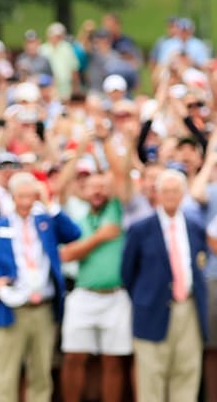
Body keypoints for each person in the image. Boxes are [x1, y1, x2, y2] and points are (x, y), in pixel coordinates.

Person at [0, 172, 81, 402]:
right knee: (7, 374)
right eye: (20, 196)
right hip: (10, 309)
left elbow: (73, 233)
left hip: (43, 308)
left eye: (30, 196)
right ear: (12, 197)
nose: (25, 202)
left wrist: (49, 203)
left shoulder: (45, 222)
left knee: (41, 373)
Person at [122, 169, 208, 402]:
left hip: (187, 308)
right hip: (151, 308)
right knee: (151, 376)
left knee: (186, 372)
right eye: (165, 191)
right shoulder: (141, 229)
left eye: (175, 191)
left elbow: (200, 262)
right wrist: (145, 298)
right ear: (157, 194)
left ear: (183, 194)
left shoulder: (194, 226)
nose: (170, 196)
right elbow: (127, 273)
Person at [58, 173, 130, 402]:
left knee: (113, 360)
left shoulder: (118, 210)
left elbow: (122, 173)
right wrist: (99, 238)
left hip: (116, 295)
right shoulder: (77, 219)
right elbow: (66, 254)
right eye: (92, 187)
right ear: (83, 191)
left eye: (103, 187)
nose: (98, 192)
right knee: (73, 357)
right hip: (83, 294)